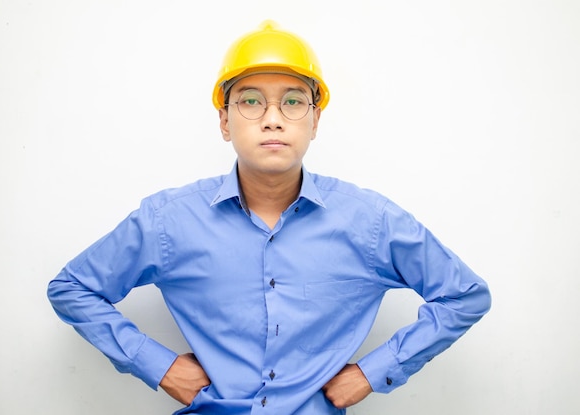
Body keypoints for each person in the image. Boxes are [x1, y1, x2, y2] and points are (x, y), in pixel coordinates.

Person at [47, 20, 491, 414]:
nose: (273, 119)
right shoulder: (169, 221)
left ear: (315, 121)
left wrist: (374, 373)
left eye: (294, 102)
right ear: (224, 122)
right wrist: (159, 366)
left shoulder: (370, 222)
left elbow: (464, 296)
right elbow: (72, 288)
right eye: (251, 101)